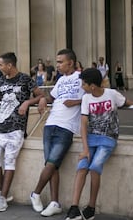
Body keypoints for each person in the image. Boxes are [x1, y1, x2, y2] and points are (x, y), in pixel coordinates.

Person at [65, 68, 133, 220]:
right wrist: (85, 150)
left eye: (83, 84)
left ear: (92, 86)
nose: (82, 86)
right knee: (82, 167)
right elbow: (83, 124)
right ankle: (74, 208)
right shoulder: (87, 99)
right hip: (91, 138)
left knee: (95, 167)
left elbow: (128, 103)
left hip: (108, 138)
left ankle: (91, 208)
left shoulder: (112, 94)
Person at [0, 52, 45, 212]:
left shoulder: (25, 79)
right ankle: (4, 194)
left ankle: (2, 196)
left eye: (0, 65)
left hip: (16, 128)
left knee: (9, 161)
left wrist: (28, 102)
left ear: (9, 65)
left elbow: (41, 96)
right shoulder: (2, 79)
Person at [30, 48, 84, 217]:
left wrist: (75, 101)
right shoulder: (60, 80)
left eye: (61, 62)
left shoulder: (82, 77)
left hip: (66, 127)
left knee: (51, 163)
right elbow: (52, 97)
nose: (57, 65)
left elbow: (95, 94)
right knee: (52, 165)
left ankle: (35, 193)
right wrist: (43, 99)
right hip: (50, 124)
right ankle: (55, 203)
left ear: (71, 63)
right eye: (57, 62)